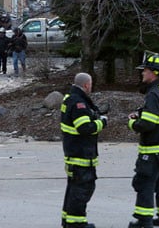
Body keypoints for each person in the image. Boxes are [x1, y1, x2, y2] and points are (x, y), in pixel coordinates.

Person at [127, 52, 159, 228]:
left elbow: (147, 124)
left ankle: (144, 221)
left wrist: (133, 122)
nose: (142, 73)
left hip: (152, 151)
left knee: (144, 184)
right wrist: (141, 112)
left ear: (153, 73)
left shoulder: (153, 94)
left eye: (145, 70)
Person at [60, 72, 107, 228]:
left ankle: (68, 221)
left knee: (73, 188)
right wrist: (102, 123)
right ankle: (76, 223)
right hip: (81, 155)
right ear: (86, 85)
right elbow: (84, 128)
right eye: (91, 85)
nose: (91, 87)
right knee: (83, 189)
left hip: (74, 153)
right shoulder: (79, 103)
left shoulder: (70, 98)